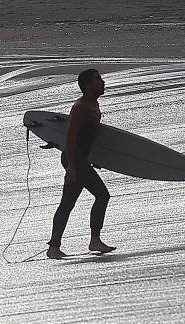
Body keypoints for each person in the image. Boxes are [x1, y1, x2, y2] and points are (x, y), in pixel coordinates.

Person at [47, 69, 116, 259]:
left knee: (67, 203)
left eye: (101, 78)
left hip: (81, 159)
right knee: (102, 195)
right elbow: (70, 137)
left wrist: (95, 159)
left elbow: (88, 138)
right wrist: (72, 167)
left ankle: (54, 247)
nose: (102, 82)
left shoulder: (93, 105)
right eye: (97, 79)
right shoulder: (81, 107)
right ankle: (94, 240)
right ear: (86, 85)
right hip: (74, 159)